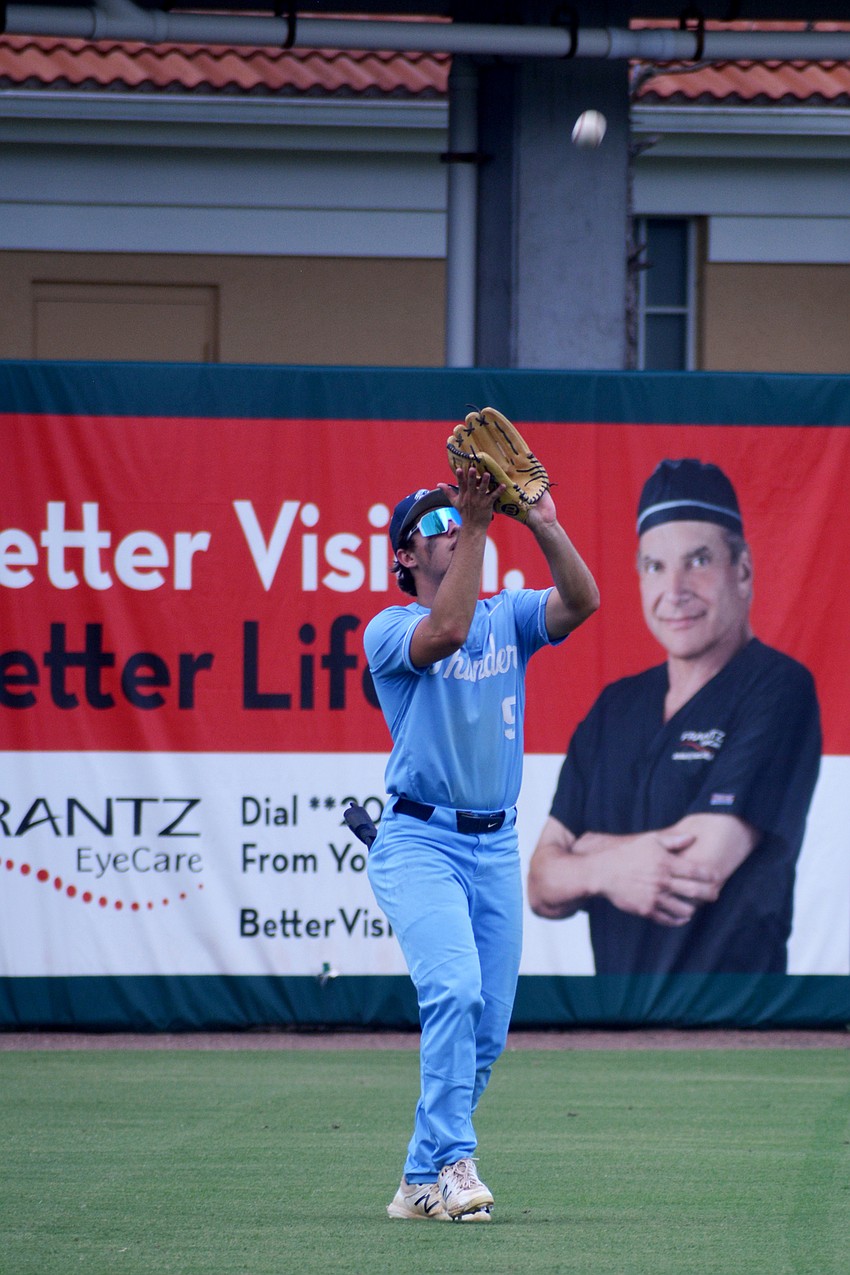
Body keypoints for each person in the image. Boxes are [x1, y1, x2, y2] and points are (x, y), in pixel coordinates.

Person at [364, 461, 598, 1221]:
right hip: (419, 839)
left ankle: (415, 1181)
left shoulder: (509, 614)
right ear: (403, 556)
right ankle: (456, 1163)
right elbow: (448, 630)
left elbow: (584, 601)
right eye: (431, 522)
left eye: (453, 514)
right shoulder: (391, 629)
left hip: (495, 845)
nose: (451, 522)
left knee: (487, 1028)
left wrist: (543, 521)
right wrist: (474, 522)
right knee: (456, 992)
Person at [527, 457, 821, 976]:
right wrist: (610, 867)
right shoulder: (613, 709)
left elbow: (698, 868)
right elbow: (541, 884)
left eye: (699, 560)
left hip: (734, 1022)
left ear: (744, 571)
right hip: (612, 1024)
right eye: (656, 567)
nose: (675, 590)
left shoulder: (779, 688)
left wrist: (589, 858)